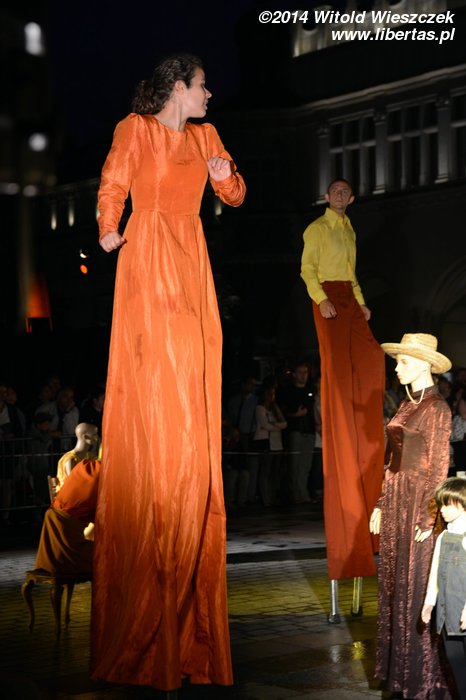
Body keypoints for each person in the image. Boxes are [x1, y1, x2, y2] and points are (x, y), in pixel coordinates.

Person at [91, 53, 246, 693]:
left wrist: (226, 178)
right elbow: (113, 183)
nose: (210, 93)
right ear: (178, 87)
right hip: (149, 251)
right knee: (163, 373)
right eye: (203, 85)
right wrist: (108, 228)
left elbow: (236, 194)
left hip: (191, 254)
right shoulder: (136, 128)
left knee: (194, 370)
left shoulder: (207, 136)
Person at [300, 178, 385, 580]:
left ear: (351, 198)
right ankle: (338, 400)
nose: (337, 195)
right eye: (332, 191)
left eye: (343, 192)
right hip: (329, 297)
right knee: (337, 367)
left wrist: (362, 304)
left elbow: (352, 274)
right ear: (327, 197)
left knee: (371, 355)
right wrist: (322, 300)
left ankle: (362, 404)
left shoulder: (349, 230)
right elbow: (307, 270)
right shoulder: (317, 228)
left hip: (349, 296)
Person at [370, 333, 452, 699]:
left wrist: (427, 518)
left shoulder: (437, 409)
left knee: (417, 588)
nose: (397, 368)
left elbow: (438, 467)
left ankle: (423, 677)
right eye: (398, 361)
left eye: (403, 361)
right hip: (396, 502)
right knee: (394, 585)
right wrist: (380, 503)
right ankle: (399, 673)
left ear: (423, 364)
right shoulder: (405, 405)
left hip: (419, 505)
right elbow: (391, 461)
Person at [422, 477, 466, 700]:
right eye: (441, 504)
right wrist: (429, 602)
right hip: (448, 610)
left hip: (464, 609)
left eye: (447, 504)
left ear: (462, 503)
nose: (442, 510)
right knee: (454, 658)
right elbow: (435, 572)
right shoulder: (444, 536)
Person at [33, 458, 101, 576]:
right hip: (66, 525)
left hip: (56, 514)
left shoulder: (83, 466)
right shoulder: (102, 475)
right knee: (105, 558)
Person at [279, 362, 315, 504]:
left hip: (308, 430)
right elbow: (283, 412)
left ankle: (302, 493)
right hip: (295, 430)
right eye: (300, 372)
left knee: (305, 465)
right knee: (293, 465)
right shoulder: (287, 391)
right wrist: (295, 414)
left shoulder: (310, 390)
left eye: (305, 372)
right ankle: (294, 494)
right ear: (294, 374)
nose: (303, 375)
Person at [55, 423, 99, 491]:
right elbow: (74, 485)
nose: (97, 437)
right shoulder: (70, 459)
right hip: (71, 495)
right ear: (85, 437)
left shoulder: (90, 456)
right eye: (94, 435)